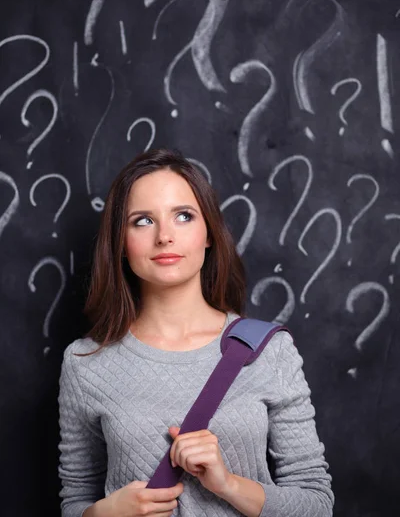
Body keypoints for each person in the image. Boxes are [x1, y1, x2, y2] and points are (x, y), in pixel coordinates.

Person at [58, 147, 334, 517]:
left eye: (184, 216)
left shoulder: (270, 350)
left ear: (208, 234)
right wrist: (102, 514)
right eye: (142, 221)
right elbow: (74, 499)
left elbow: (317, 504)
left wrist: (229, 485)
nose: (164, 237)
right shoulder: (85, 361)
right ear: (120, 244)